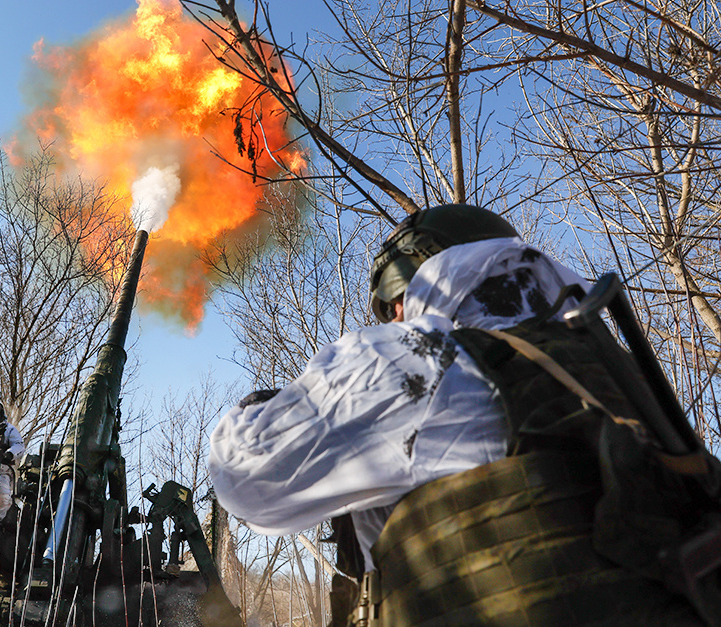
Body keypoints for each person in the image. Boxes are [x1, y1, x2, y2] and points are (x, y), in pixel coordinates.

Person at [209, 204, 711, 625]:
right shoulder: (607, 364)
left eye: (393, 309)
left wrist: (260, 409)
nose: (396, 322)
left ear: (412, 285)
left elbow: (244, 478)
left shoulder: (424, 357)